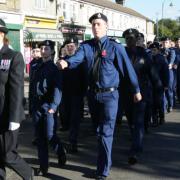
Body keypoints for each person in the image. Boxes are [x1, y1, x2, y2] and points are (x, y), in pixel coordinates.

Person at [57, 13, 142, 180]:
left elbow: (128, 70)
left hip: (110, 96)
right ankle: (105, 161)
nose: (96, 27)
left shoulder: (114, 47)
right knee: (98, 131)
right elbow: (78, 58)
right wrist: (67, 62)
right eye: (94, 24)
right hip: (93, 96)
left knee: (105, 132)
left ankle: (102, 170)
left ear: (106, 26)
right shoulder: (86, 46)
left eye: (99, 24)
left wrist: (136, 90)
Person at [0, 19, 33, 180]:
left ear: (1, 34)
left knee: (7, 154)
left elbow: (17, 88)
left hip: (8, 114)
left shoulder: (13, 56)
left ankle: (29, 175)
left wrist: (15, 118)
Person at [122, 28, 160, 164]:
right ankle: (135, 141)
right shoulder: (122, 53)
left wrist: (158, 87)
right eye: (127, 39)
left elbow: (152, 72)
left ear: (137, 39)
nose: (130, 41)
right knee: (131, 121)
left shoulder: (143, 54)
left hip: (141, 93)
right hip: (126, 93)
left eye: (132, 38)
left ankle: (135, 150)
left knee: (138, 122)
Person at [31, 40, 66, 176]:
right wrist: (31, 107)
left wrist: (54, 106)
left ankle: (60, 151)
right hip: (37, 106)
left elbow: (58, 88)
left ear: (52, 51)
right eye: (42, 48)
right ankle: (43, 166)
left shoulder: (54, 68)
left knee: (50, 135)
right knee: (40, 138)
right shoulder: (36, 66)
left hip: (48, 105)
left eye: (46, 49)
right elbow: (33, 88)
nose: (43, 51)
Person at [59, 36, 87, 153]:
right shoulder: (62, 61)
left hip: (77, 94)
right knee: (66, 116)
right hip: (64, 94)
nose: (70, 48)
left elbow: (85, 78)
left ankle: (73, 142)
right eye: (68, 46)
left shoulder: (81, 62)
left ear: (76, 47)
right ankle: (68, 131)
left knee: (75, 119)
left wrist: (84, 94)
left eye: (72, 46)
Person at [149, 42, 169, 126]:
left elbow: (166, 73)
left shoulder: (162, 59)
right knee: (152, 102)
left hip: (159, 84)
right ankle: (155, 120)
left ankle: (161, 117)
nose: (153, 51)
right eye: (152, 50)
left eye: (154, 50)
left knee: (159, 102)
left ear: (158, 50)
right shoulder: (148, 58)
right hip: (150, 84)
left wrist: (166, 85)